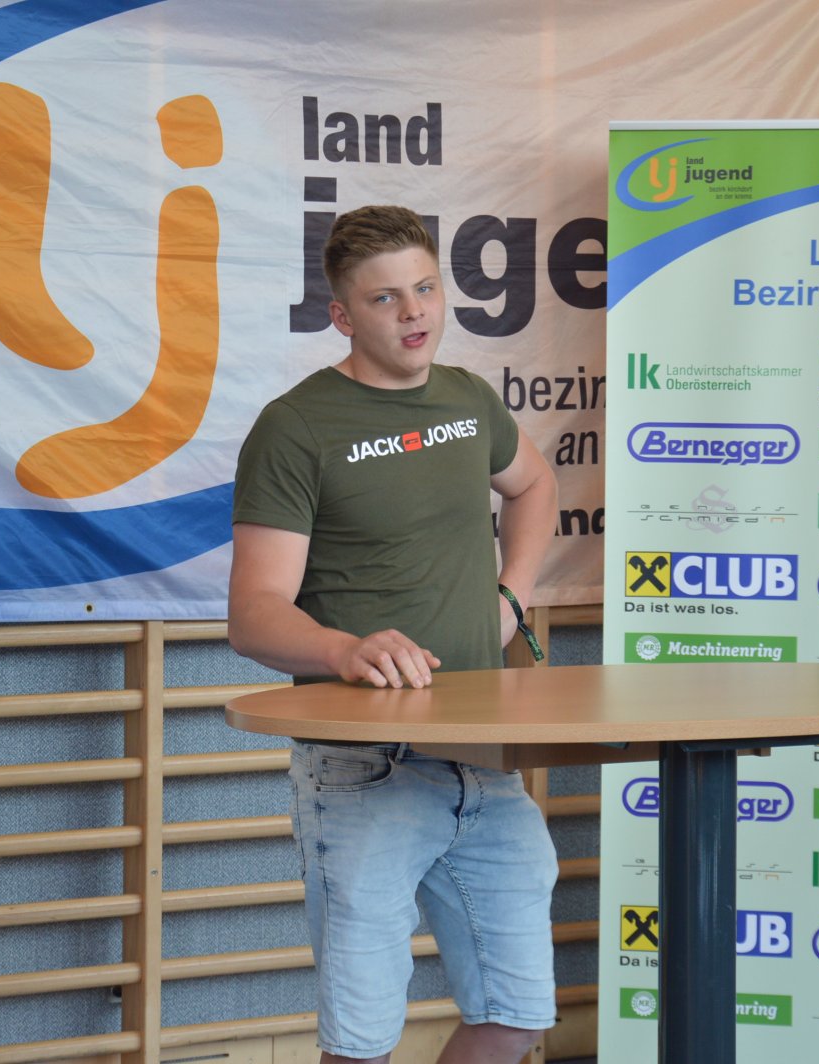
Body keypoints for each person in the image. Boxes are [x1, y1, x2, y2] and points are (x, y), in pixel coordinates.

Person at [227, 205, 561, 1064]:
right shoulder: (296, 427)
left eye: (425, 289)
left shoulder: (468, 399)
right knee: (361, 1046)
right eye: (385, 299)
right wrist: (344, 649)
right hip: (362, 768)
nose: (414, 312)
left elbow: (533, 485)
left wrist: (512, 595)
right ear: (343, 316)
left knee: (517, 1016)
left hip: (485, 756)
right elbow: (254, 612)